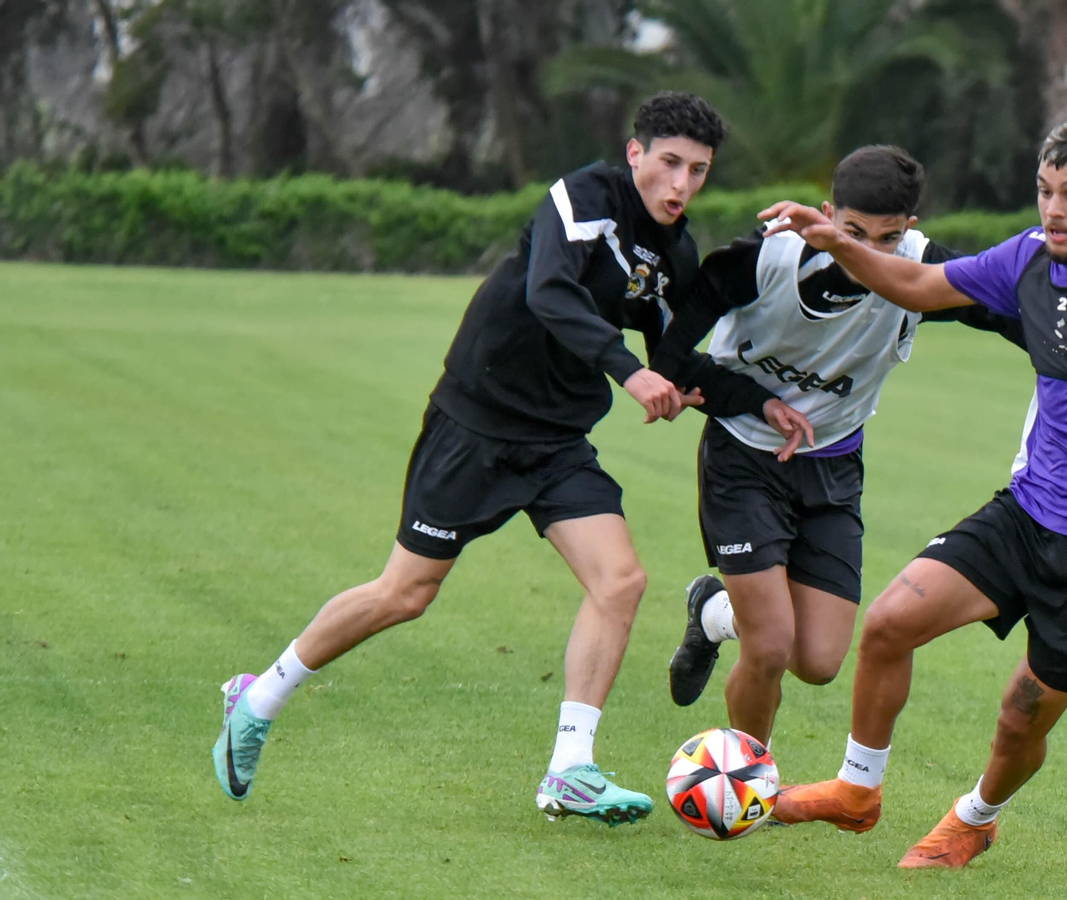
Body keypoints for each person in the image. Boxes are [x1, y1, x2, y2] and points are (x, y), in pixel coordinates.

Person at [210, 92, 807, 827]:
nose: (680, 185)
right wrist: (629, 373)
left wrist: (753, 399)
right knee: (405, 593)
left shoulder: (674, 254)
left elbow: (678, 360)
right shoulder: (584, 197)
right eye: (669, 163)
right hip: (478, 421)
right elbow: (550, 293)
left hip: (557, 441)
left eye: (699, 171)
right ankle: (260, 695)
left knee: (620, 581)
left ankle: (570, 770)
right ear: (635, 154)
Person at [755, 114, 1067, 868]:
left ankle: (977, 814)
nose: (1054, 210)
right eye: (1045, 191)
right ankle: (858, 790)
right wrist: (840, 242)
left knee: (1021, 716)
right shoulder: (1026, 257)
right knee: (891, 621)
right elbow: (921, 286)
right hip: (1027, 514)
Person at [651, 145, 1023, 745]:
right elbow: (669, 353)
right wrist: (756, 400)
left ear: (910, 232)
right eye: (851, 232)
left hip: (834, 466)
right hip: (744, 456)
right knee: (770, 647)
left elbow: (1017, 317)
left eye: (888, 238)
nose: (867, 253)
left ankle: (712, 612)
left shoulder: (925, 270)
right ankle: (750, 779)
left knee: (819, 662)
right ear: (827, 213)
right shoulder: (765, 258)